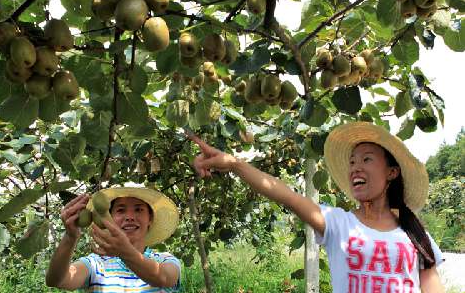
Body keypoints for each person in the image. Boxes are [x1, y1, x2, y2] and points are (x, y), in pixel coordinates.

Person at [189, 121, 445, 293]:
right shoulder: (338, 223)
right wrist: (235, 164)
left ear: (391, 172)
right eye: (353, 161)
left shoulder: (413, 230)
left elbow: (430, 281)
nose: (355, 166)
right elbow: (285, 194)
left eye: (367, 159)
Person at [45, 187, 181, 292]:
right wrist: (70, 237)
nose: (129, 217)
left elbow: (163, 278)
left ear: (150, 219)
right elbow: (58, 281)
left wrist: (124, 252)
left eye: (138, 210)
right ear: (110, 218)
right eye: (121, 210)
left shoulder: (165, 259)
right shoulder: (95, 264)